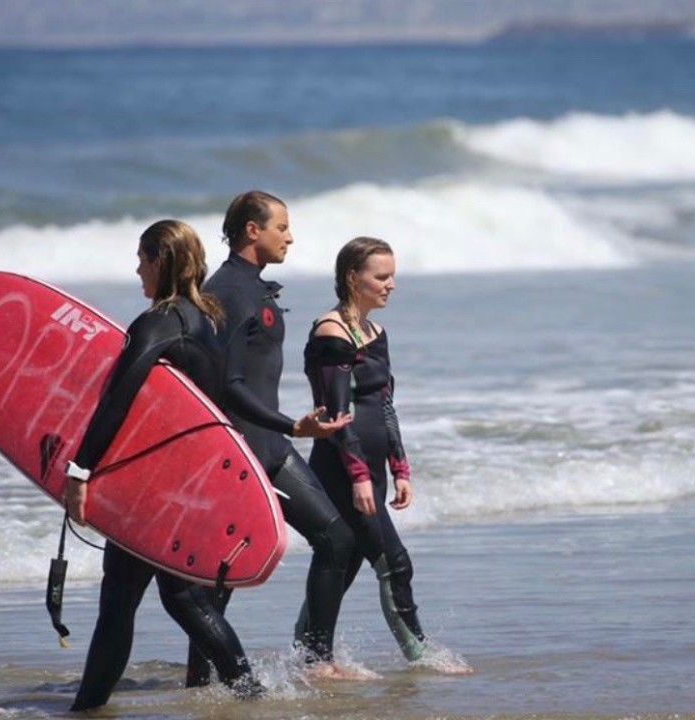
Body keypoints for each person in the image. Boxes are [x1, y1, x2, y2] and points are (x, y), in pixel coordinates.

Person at [62, 219, 263, 711]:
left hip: (154, 490)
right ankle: (87, 706)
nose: (137, 269)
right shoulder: (208, 320)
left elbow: (116, 401)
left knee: (159, 601)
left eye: (142, 258)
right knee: (135, 599)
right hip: (192, 483)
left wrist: (80, 471)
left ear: (160, 261)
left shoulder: (158, 323)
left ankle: (254, 696)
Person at [188, 190, 364, 682]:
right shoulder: (226, 292)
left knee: (336, 538)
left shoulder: (255, 288)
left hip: (270, 442)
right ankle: (200, 681)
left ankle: (316, 659)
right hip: (240, 449)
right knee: (219, 576)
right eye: (281, 226)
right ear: (252, 230)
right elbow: (229, 385)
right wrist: (291, 425)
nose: (289, 235)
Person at [298, 237, 468, 671]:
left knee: (345, 561)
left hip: (370, 469)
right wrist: (357, 474)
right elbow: (337, 414)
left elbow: (385, 404)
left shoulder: (375, 332)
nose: (391, 284)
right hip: (340, 467)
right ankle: (420, 653)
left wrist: (400, 467)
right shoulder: (330, 333)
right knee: (394, 562)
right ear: (353, 277)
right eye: (381, 276)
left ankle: (310, 654)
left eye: (393, 275)